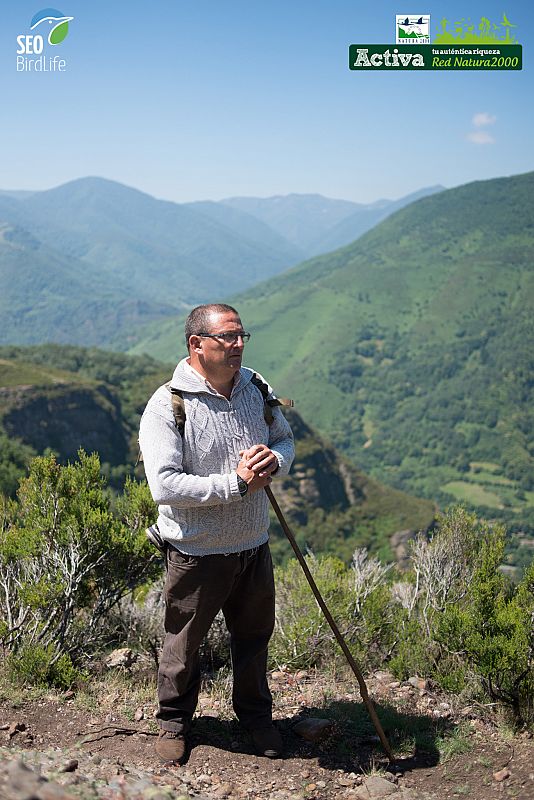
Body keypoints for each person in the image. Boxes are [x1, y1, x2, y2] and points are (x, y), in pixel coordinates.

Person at [139, 303, 295, 764]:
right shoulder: (168, 405)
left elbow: (285, 439)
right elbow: (164, 485)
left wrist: (274, 461)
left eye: (241, 335)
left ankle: (256, 718)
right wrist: (237, 484)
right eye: (227, 337)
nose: (238, 344)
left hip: (253, 545)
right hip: (196, 551)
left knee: (254, 638)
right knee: (183, 645)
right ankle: (174, 723)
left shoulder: (255, 386)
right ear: (197, 344)